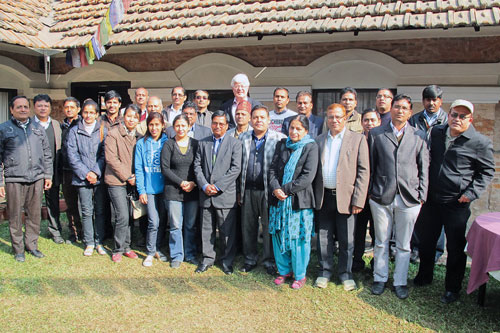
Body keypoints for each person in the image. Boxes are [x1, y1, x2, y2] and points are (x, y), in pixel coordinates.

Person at [414, 99, 495, 304]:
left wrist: (471, 193)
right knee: (426, 241)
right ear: (448, 115)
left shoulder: (479, 142)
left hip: (456, 203)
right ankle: (424, 277)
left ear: (470, 119)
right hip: (432, 199)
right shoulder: (438, 132)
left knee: (455, 247)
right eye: (454, 114)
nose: (457, 119)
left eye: (462, 116)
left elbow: (486, 172)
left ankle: (452, 288)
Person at [368, 94, 429, 299]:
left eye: (404, 108)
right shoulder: (376, 133)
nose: (400, 110)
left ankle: (400, 282)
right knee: (381, 241)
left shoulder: (419, 135)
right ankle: (380, 278)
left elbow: (424, 168)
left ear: (410, 112)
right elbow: (370, 166)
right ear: (391, 109)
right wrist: (370, 192)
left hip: (409, 198)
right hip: (381, 196)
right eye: (397, 107)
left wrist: (422, 195)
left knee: (404, 244)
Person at [314, 104, 370, 290]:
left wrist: (359, 200)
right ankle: (324, 272)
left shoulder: (358, 140)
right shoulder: (319, 140)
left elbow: (364, 171)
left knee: (347, 240)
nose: (334, 120)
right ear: (326, 119)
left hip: (346, 198)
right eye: (331, 117)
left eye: (338, 117)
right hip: (324, 197)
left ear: (345, 118)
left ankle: (346, 274)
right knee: (324, 237)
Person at [269, 115, 319, 289]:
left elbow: (307, 176)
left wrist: (285, 190)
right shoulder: (281, 144)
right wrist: (275, 188)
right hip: (278, 201)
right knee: (278, 233)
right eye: (292, 128)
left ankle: (299, 275)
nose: (294, 131)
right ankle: (284, 271)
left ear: (306, 130)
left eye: (298, 128)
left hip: (299, 201)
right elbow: (272, 169)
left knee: (298, 238)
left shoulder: (311, 147)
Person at [0, 96, 52, 262]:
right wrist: (0, 182)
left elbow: (46, 153)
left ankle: (32, 245)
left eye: (25, 107)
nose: (23, 109)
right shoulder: (4, 129)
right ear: (11, 110)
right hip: (14, 178)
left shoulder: (37, 128)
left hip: (36, 178)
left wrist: (47, 175)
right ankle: (18, 249)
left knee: (34, 214)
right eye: (19, 107)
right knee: (15, 215)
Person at [193, 110, 242, 274]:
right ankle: (207, 259)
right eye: (215, 123)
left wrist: (218, 186)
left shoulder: (235, 143)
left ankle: (227, 261)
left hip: (224, 195)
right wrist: (205, 185)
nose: (218, 126)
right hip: (206, 194)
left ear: (227, 126)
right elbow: (197, 166)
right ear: (211, 124)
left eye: (222, 124)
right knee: (206, 230)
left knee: (227, 231)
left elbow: (236, 169)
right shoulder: (203, 142)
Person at [238, 106, 286, 274]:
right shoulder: (242, 138)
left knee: (268, 228)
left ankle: (269, 261)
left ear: (268, 120)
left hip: (268, 191)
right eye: (255, 117)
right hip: (247, 190)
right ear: (251, 120)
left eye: (262, 117)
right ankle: (250, 259)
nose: (259, 120)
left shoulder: (279, 138)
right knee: (248, 227)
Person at [409, 85, 448, 263]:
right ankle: (416, 248)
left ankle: (437, 251)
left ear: (440, 100)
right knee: (420, 212)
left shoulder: (447, 120)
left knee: (438, 213)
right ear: (423, 101)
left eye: (435, 99)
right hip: (418, 171)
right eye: (428, 99)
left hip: (439, 173)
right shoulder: (414, 120)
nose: (431, 103)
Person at [67, 99, 108, 257]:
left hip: (99, 177)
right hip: (82, 178)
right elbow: (72, 156)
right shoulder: (74, 131)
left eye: (92, 112)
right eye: (86, 112)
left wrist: (96, 172)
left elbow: (105, 154)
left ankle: (99, 241)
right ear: (81, 113)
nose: (89, 115)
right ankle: (89, 242)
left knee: (99, 210)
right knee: (86, 210)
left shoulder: (103, 130)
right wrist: (86, 173)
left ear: (97, 114)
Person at [161, 114, 200, 268]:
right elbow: (165, 168)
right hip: (173, 190)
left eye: (184, 125)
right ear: (173, 127)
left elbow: (200, 166)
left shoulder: (196, 144)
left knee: (190, 225)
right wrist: (181, 182)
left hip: (192, 191)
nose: (181, 128)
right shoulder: (168, 145)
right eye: (177, 125)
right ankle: (177, 255)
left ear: (189, 127)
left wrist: (193, 183)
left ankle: (190, 253)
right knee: (176, 225)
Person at [104, 104, 142, 263]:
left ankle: (127, 246)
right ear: (123, 117)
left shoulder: (139, 136)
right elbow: (111, 159)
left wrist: (136, 178)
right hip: (117, 181)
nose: (131, 119)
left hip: (132, 181)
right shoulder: (113, 134)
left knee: (130, 216)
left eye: (135, 117)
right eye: (129, 116)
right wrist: (128, 176)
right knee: (122, 216)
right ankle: (118, 248)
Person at [135, 112, 168, 267]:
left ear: (162, 125)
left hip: (166, 189)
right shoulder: (141, 143)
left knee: (162, 221)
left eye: (157, 124)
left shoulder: (167, 142)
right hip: (150, 189)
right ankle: (149, 252)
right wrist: (141, 190)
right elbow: (139, 169)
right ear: (147, 126)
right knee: (153, 221)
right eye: (151, 124)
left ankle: (157, 248)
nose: (154, 128)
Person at [32, 94, 64, 244]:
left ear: (50, 107)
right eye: (39, 105)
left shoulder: (56, 125)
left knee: (53, 201)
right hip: (34, 171)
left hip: (53, 170)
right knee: (33, 203)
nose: (43, 108)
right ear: (34, 107)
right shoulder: (29, 125)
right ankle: (33, 231)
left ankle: (55, 230)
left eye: (45, 105)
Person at [352, 108, 381, 272]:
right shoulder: (356, 140)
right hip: (360, 194)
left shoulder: (383, 140)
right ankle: (357, 261)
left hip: (378, 194)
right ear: (361, 123)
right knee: (359, 230)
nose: (369, 123)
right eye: (366, 120)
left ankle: (376, 263)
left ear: (379, 122)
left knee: (378, 232)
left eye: (372, 120)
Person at [60, 97, 82, 244]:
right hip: (66, 170)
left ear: (78, 109)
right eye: (67, 107)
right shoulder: (61, 126)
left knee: (86, 203)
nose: (69, 110)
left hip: (81, 169)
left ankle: (88, 231)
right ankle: (74, 232)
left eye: (72, 107)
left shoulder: (82, 124)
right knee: (71, 203)